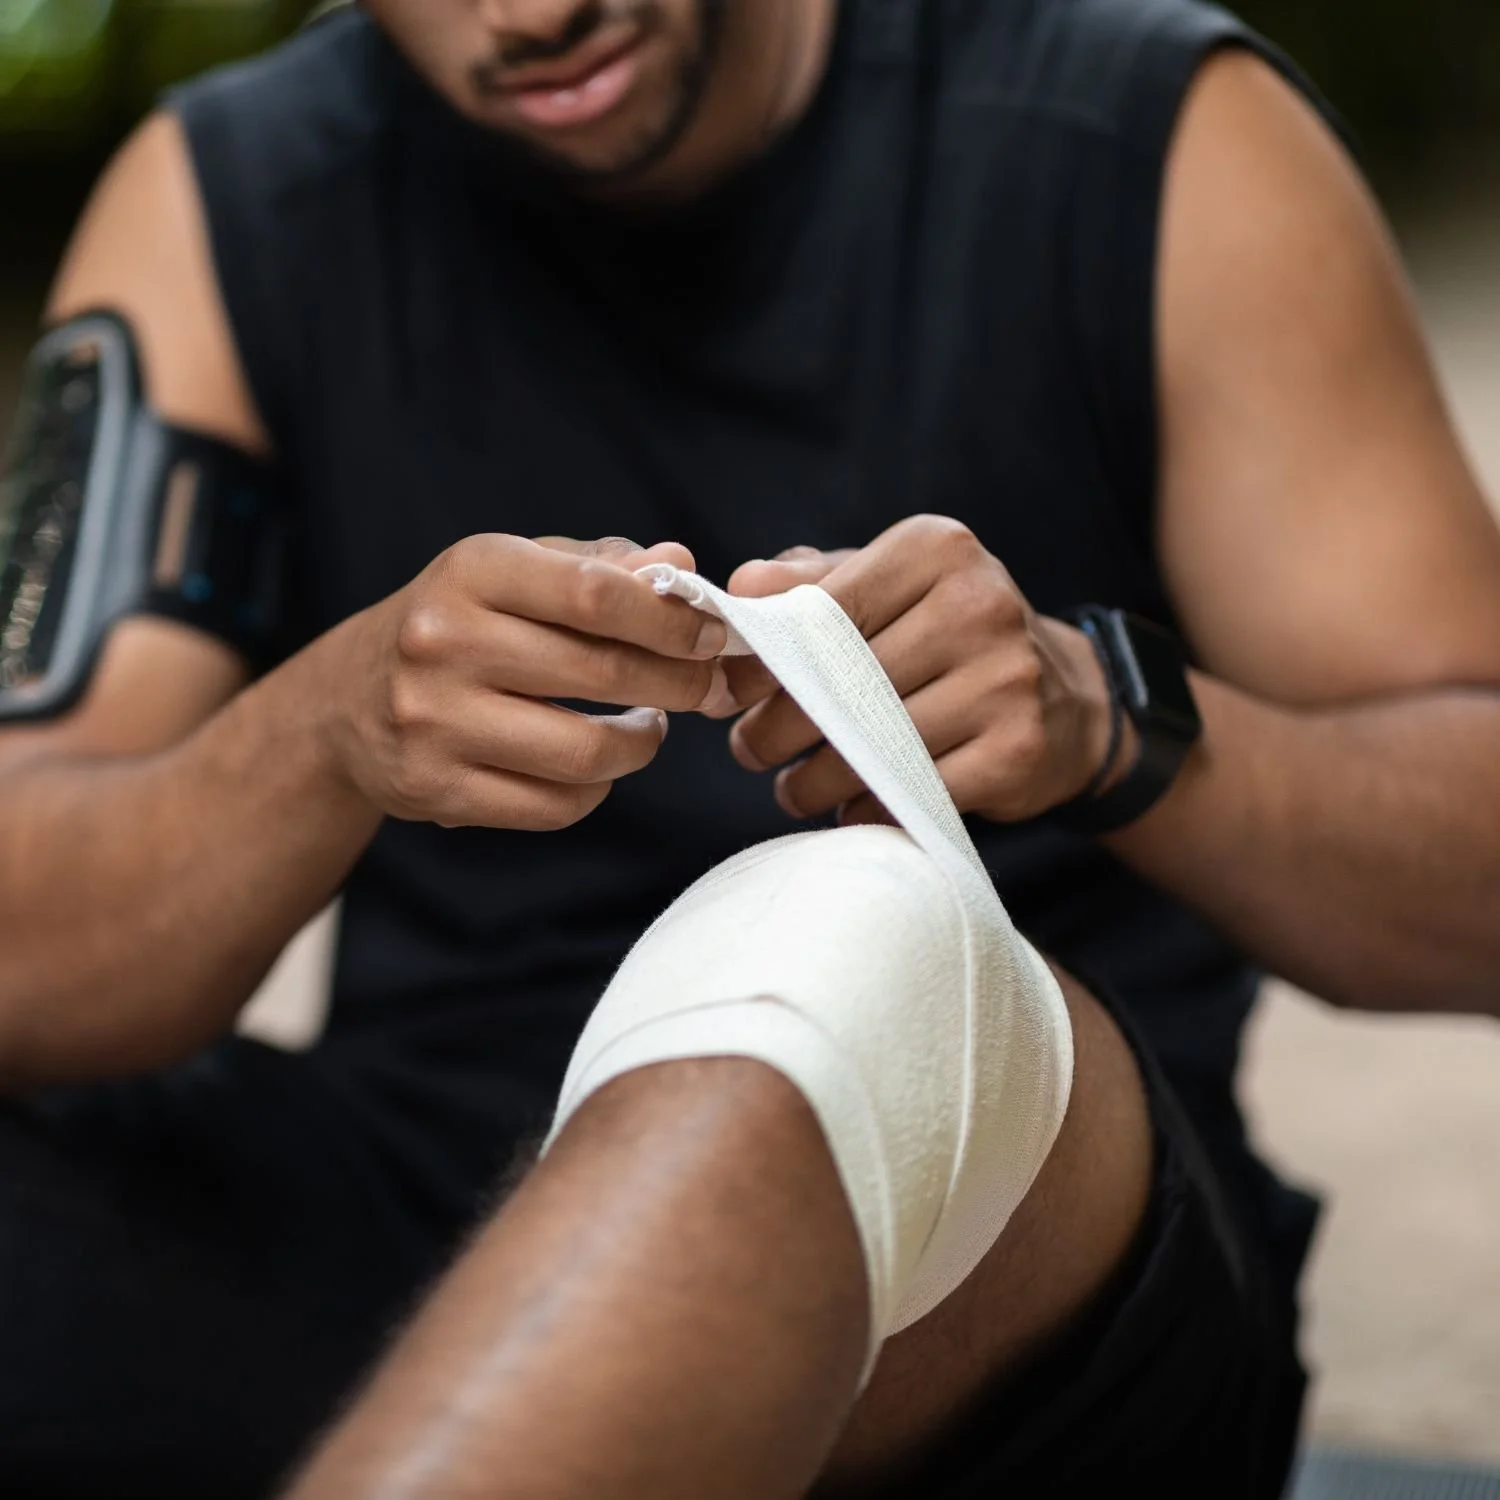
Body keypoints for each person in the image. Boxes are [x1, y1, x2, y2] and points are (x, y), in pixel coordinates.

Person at [2, 0, 1499, 1495]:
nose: (529, 15)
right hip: (405, 1227)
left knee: (838, 932)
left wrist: (1105, 711)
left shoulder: (1151, 131)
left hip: (1018, 1293)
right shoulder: (223, 191)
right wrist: (317, 734)